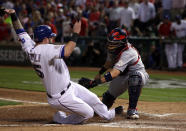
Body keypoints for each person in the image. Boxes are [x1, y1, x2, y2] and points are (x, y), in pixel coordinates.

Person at [1, 8, 123, 124]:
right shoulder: (45, 50)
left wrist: (13, 15)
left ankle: (107, 115)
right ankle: (61, 119)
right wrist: (76, 32)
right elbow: (67, 51)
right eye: (50, 37)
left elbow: (20, 31)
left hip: (69, 87)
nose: (52, 39)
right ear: (45, 39)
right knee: (88, 113)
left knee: (93, 98)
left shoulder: (30, 47)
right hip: (60, 97)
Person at [79, 27, 149, 119]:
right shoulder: (114, 49)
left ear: (122, 43)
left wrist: (94, 83)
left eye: (114, 43)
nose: (111, 45)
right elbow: (109, 63)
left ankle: (132, 109)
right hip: (123, 75)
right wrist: (100, 72)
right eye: (110, 43)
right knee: (108, 98)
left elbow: (114, 73)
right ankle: (110, 110)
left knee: (134, 78)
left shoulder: (128, 52)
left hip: (139, 74)